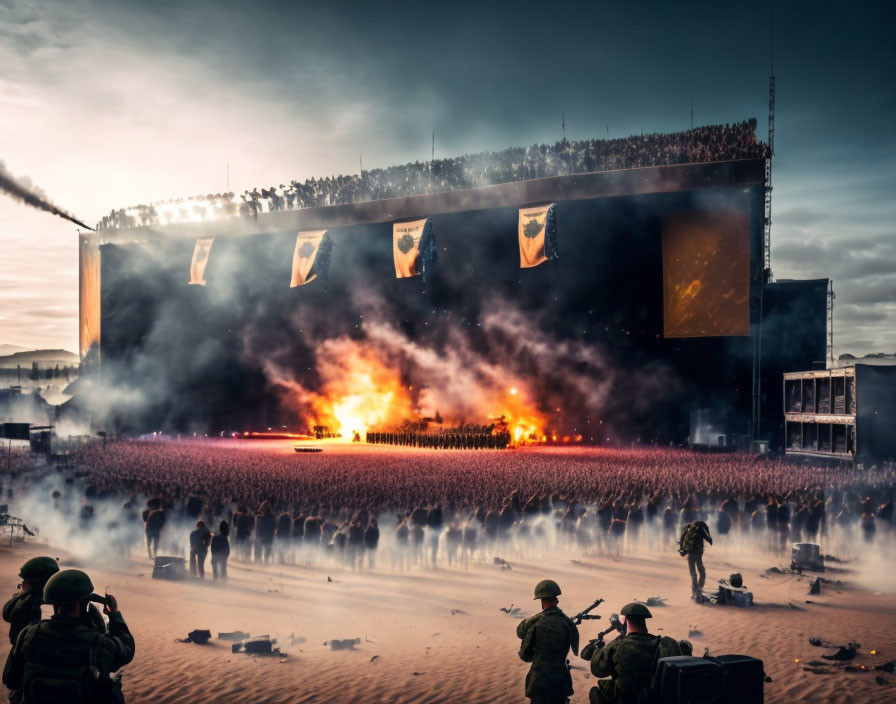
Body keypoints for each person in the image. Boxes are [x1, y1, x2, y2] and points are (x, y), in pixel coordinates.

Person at [2, 569, 135, 704]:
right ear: (80, 605)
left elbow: (11, 680)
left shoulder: (28, 635)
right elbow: (127, 649)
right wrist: (114, 614)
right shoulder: (97, 643)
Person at [582, 602, 681, 704]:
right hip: (655, 699)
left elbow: (598, 671)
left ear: (626, 622)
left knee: (595, 692)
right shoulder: (665, 643)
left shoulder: (619, 645)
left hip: (625, 700)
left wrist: (600, 649)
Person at [516, 579, 579, 704]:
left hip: (538, 682)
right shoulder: (568, 623)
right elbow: (575, 648)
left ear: (541, 600)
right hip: (560, 681)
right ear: (556, 600)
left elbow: (524, 653)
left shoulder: (536, 622)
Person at [2, 557, 59, 645]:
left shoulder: (27, 604)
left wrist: (23, 594)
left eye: (26, 581)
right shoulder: (61, 601)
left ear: (36, 584)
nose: (23, 583)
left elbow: (7, 614)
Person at [678, 520, 713, 599]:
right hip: (698, 553)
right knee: (702, 572)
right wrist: (710, 538)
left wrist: (682, 549)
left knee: (693, 574)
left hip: (691, 554)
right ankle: (699, 590)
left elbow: (682, 538)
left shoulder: (688, 528)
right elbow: (709, 539)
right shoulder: (700, 529)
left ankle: (695, 593)